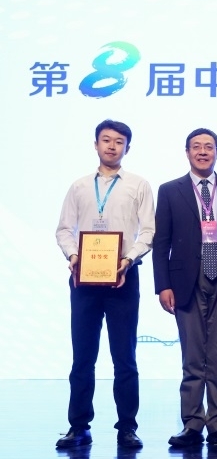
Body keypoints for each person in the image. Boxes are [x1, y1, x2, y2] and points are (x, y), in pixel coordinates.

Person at [55, 119, 154, 449]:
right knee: (83, 357)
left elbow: (149, 232)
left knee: (124, 357)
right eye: (106, 140)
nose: (112, 146)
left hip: (123, 277)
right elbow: (64, 230)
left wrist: (129, 259)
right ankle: (78, 426)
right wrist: (73, 256)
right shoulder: (79, 187)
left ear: (128, 147)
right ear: (95, 144)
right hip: (83, 279)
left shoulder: (139, 185)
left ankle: (127, 427)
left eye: (119, 141)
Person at [153, 128, 217, 447]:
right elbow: (161, 243)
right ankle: (193, 422)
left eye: (208, 147)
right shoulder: (170, 191)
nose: (202, 152)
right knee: (193, 356)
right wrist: (163, 285)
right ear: (187, 152)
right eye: (196, 147)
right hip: (186, 280)